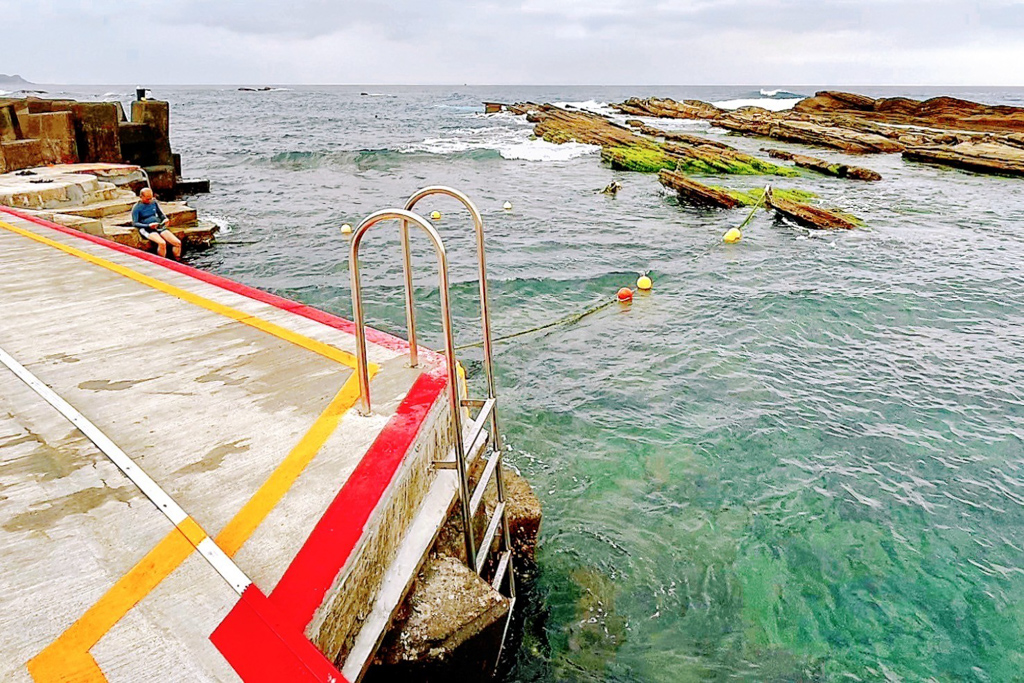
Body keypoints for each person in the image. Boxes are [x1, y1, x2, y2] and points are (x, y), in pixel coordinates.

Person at [131, 188, 182, 259]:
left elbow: (160, 214)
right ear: (141, 197)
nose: (149, 200)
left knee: (177, 243)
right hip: (147, 228)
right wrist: (148, 225)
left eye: (151, 198)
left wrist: (165, 219)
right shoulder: (136, 208)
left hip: (158, 226)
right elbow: (135, 223)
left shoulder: (154, 203)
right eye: (147, 199)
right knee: (162, 243)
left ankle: (177, 259)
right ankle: (162, 262)